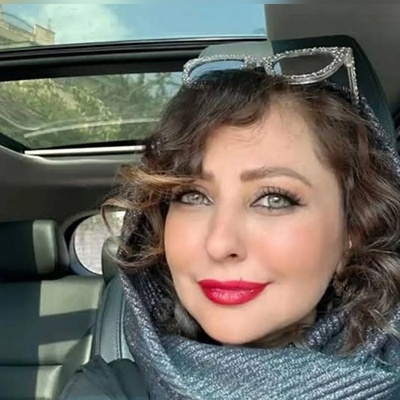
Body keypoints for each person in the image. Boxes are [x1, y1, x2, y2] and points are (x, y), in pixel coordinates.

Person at [61, 46, 400, 399]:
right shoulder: (109, 390)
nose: (220, 244)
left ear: (351, 235)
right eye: (193, 196)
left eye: (274, 199)